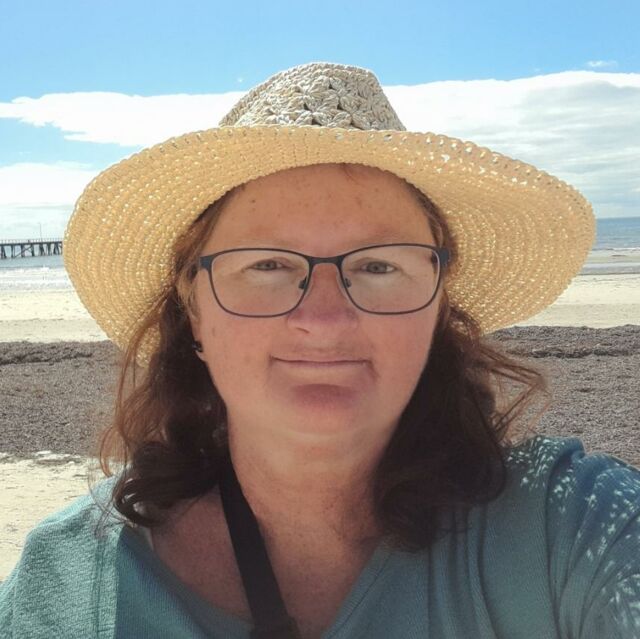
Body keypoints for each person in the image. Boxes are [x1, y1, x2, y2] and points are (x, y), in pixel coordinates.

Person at [1, 62, 639, 639]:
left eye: (379, 266)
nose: (325, 321)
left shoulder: (574, 525)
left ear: (440, 306)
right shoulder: (68, 578)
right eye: (268, 264)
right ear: (193, 310)